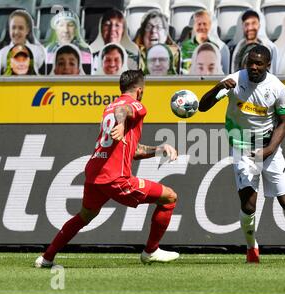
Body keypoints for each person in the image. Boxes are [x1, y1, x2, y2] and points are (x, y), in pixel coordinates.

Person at [35, 70, 180, 268]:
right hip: (115, 178)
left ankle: (46, 257)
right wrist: (121, 123)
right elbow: (125, 111)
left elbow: (132, 149)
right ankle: (151, 251)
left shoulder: (109, 107)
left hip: (95, 174)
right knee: (169, 197)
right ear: (139, 90)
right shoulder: (136, 106)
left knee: (84, 216)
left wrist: (158, 149)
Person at [198, 45, 285, 263]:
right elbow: (202, 108)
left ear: (267, 65)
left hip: (269, 148)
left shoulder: (278, 89)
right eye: (250, 62)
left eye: (258, 63)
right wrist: (218, 88)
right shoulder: (234, 80)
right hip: (242, 148)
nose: (253, 66)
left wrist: (269, 150)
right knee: (248, 205)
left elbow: (283, 124)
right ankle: (251, 248)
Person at [180, 10, 230, 74]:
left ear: (210, 25)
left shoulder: (220, 48)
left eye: (204, 24)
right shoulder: (184, 47)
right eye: (198, 24)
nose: (201, 27)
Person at [229, 9, 279, 74]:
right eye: (247, 24)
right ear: (242, 26)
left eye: (254, 23)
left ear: (259, 25)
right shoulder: (232, 50)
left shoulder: (271, 48)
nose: (250, 28)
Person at [45, 9, 92, 74]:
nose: (66, 30)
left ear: (76, 29)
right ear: (56, 30)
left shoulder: (85, 50)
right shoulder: (48, 50)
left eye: (70, 25)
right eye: (61, 25)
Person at [134, 10, 181, 74]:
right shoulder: (134, 55)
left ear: (165, 35)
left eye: (158, 27)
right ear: (143, 35)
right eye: (148, 27)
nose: (153, 31)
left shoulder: (176, 55)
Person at [0, 9, 46, 74]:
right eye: (13, 28)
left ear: (27, 30)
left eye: (20, 28)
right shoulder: (2, 53)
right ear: (9, 29)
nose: (16, 32)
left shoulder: (38, 51)